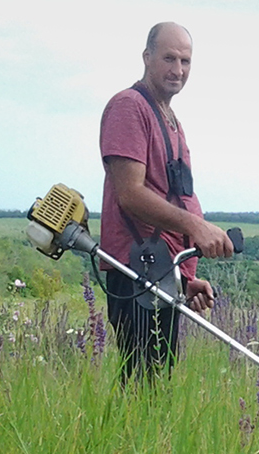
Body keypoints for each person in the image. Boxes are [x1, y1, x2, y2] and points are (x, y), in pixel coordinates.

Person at [99, 22, 233, 385]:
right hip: (134, 270)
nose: (178, 70)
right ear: (146, 57)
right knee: (143, 384)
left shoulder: (170, 119)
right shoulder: (129, 107)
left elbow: (173, 194)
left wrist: (184, 278)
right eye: (169, 58)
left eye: (186, 61)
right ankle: (124, 444)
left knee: (155, 384)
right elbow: (131, 194)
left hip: (160, 270)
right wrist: (195, 227)